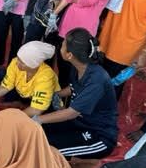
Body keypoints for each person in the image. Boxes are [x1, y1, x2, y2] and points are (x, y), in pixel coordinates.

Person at [34, 28, 118, 159]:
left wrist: (37, 119)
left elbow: (71, 112)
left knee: (44, 150)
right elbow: (74, 87)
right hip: (78, 122)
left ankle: (85, 162)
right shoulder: (79, 66)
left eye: (63, 45)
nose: (60, 47)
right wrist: (56, 94)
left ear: (69, 55)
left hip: (98, 136)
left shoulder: (97, 80)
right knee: (39, 134)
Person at [0, 41, 60, 118]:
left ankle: (23, 105)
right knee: (6, 100)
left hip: (45, 102)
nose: (17, 63)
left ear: (34, 64)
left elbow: (37, 109)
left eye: (22, 62)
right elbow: (5, 87)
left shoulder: (46, 77)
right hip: (24, 93)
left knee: (36, 123)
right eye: (18, 58)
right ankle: (21, 103)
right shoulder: (15, 62)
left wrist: (16, 118)